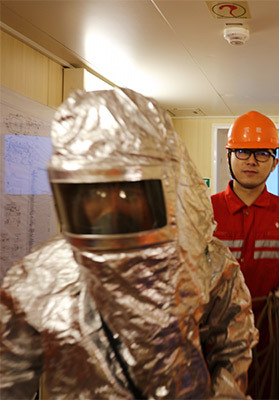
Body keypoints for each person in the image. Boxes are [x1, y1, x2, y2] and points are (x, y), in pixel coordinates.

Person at [0, 88, 258, 399]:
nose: (112, 206)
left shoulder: (205, 261)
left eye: (129, 189)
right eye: (95, 190)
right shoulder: (39, 277)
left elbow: (235, 342)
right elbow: (9, 376)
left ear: (162, 186)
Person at [210, 110, 279, 397]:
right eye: (243, 152)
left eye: (262, 154)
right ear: (229, 156)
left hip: (269, 337)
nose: (251, 161)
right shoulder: (206, 212)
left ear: (274, 162)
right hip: (213, 336)